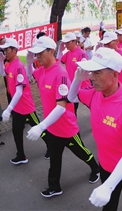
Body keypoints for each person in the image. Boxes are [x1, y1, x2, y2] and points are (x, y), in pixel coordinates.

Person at [68, 47, 122, 211]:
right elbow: (72, 97)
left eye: (97, 73)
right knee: (109, 205)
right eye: (91, 72)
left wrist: (107, 187)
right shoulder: (95, 94)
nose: (91, 78)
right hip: (106, 163)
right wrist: (77, 80)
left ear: (114, 74)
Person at [26, 36, 100, 198]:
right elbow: (30, 76)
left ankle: (96, 168)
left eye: (40, 53)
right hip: (52, 127)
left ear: (51, 51)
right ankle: (54, 186)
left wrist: (40, 126)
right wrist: (28, 62)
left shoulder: (60, 73)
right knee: (54, 158)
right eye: (35, 53)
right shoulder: (43, 70)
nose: (37, 56)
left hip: (66, 127)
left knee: (81, 152)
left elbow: (61, 106)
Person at [0, 38, 49, 164]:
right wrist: (1, 61)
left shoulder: (19, 67)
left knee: (38, 128)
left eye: (7, 49)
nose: (4, 52)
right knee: (16, 131)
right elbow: (2, 74)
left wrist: (8, 109)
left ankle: (51, 146)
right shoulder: (9, 64)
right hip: (17, 107)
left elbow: (19, 91)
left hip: (26, 107)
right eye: (4, 49)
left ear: (14, 50)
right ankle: (21, 155)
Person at [58, 32, 90, 115]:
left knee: (92, 105)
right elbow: (57, 63)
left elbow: (85, 69)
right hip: (72, 87)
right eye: (65, 43)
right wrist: (59, 51)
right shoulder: (68, 54)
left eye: (67, 43)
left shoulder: (82, 53)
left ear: (74, 41)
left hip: (83, 86)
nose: (66, 45)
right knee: (72, 109)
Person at [99, 31, 122, 97]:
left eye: (108, 43)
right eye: (104, 44)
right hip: (110, 94)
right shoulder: (104, 56)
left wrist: (121, 93)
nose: (106, 46)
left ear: (116, 41)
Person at [0, 37, 12, 103]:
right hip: (7, 74)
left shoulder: (18, 65)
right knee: (9, 88)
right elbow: (3, 73)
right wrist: (1, 61)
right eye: (3, 43)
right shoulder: (1, 54)